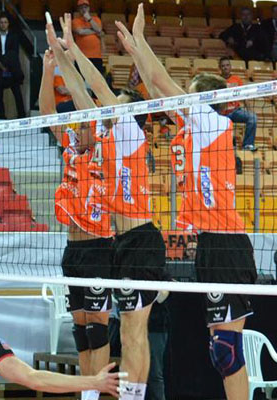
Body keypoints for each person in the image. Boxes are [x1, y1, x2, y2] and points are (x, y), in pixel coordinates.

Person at [116, 6, 258, 399]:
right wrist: (136, 52)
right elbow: (155, 86)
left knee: (227, 351)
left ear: (206, 100)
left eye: (190, 95)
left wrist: (141, 39)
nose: (180, 102)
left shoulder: (213, 123)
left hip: (227, 244)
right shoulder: (192, 129)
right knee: (219, 351)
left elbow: (162, 81)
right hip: (209, 244)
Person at [54, 13, 166, 400]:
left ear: (127, 112)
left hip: (141, 239)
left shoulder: (130, 130)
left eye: (114, 105)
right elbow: (82, 95)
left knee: (134, 333)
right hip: (122, 241)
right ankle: (122, 394)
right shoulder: (108, 138)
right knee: (129, 332)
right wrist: (61, 52)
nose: (106, 108)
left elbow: (98, 87)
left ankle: (134, 396)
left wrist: (77, 52)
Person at [44, 28, 116, 399]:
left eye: (85, 124)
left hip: (99, 247)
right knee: (81, 328)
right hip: (73, 250)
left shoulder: (106, 147)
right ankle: (88, 392)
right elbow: (46, 113)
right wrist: (49, 68)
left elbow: (89, 104)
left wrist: (69, 57)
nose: (79, 128)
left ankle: (96, 393)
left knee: (98, 328)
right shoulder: (71, 148)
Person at [0, 13, 26, 119]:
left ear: (8, 23)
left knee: (17, 92)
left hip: (11, 68)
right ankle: (1, 116)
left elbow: (14, 53)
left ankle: (22, 115)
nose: (3, 24)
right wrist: (0, 64)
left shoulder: (14, 36)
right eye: (1, 22)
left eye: (5, 22)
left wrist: (6, 65)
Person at [219, 57, 257, 151]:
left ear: (230, 67)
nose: (225, 67)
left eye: (227, 65)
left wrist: (250, 111)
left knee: (252, 118)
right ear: (220, 68)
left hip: (236, 111)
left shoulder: (237, 79)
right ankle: (226, 146)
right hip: (222, 114)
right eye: (223, 66)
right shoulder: (217, 81)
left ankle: (247, 145)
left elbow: (244, 96)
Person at [72, 0, 104, 75]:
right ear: (78, 9)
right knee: (80, 79)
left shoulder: (96, 19)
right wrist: (95, 31)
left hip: (96, 56)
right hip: (81, 56)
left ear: (89, 8)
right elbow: (80, 32)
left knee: (97, 79)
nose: (84, 9)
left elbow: (99, 29)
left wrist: (89, 19)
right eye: (81, 8)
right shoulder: (75, 21)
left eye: (85, 7)